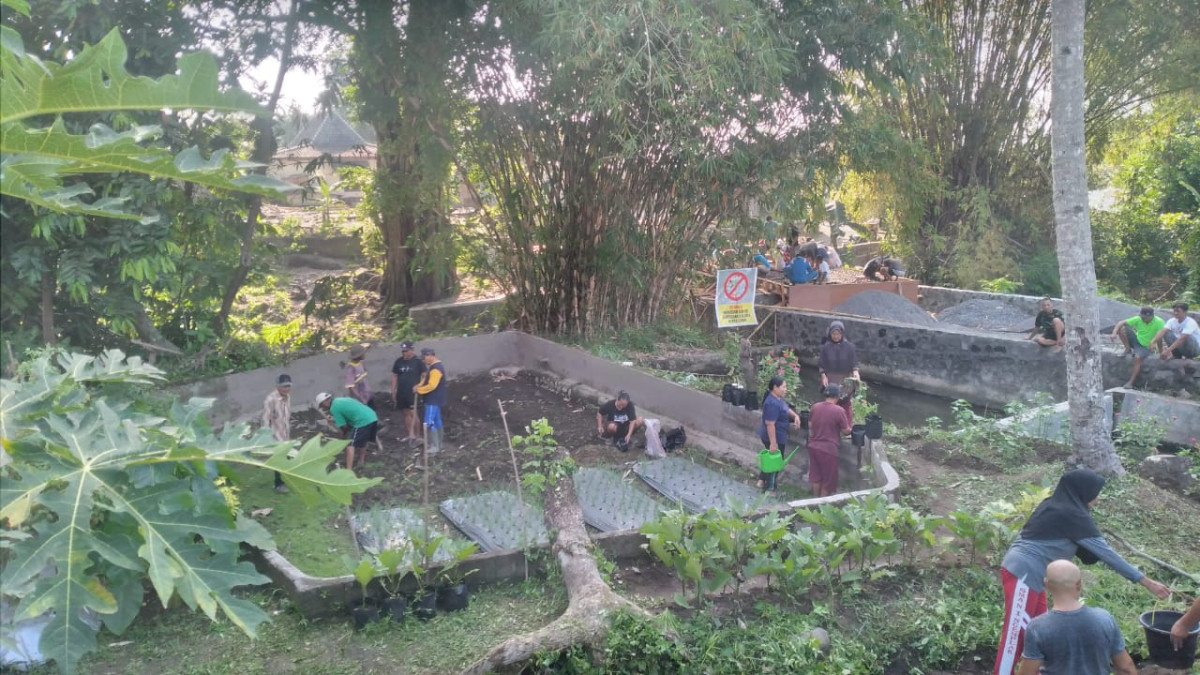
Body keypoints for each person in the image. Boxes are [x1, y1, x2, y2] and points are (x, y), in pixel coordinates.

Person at [994, 469, 1171, 675]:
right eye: (1095, 492)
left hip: (1039, 576)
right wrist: (1147, 582)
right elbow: (1108, 554)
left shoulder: (1058, 506)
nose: (1097, 497)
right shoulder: (1071, 514)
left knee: (1039, 631)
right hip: (1023, 572)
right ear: (1083, 491)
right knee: (1015, 634)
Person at [1017, 559, 1138, 675]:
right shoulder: (1104, 619)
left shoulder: (1037, 628)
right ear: (1079, 584)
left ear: (1046, 584)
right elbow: (1126, 668)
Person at [757, 375, 802, 491]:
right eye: (783, 387)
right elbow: (770, 424)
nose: (785, 389)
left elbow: (785, 408)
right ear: (775, 387)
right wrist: (773, 443)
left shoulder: (778, 398)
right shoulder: (772, 403)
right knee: (775, 463)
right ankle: (769, 488)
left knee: (770, 459)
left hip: (778, 435)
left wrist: (795, 416)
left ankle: (761, 481)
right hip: (773, 437)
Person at [807, 383, 851, 497]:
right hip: (829, 449)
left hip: (813, 446)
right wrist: (851, 429)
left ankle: (814, 501)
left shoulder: (815, 406)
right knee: (828, 481)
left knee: (816, 477)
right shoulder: (839, 410)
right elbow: (845, 431)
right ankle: (822, 505)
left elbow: (810, 424)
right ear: (837, 396)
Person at [315, 391, 379, 471]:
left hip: (362, 421)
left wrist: (344, 437)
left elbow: (344, 427)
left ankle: (348, 471)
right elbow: (350, 413)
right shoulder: (340, 400)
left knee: (350, 445)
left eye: (321, 406)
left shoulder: (334, 408)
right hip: (372, 415)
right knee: (363, 440)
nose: (323, 408)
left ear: (324, 403)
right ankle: (361, 461)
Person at [1111, 307, 1166, 388]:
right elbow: (1120, 323)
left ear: (1151, 316)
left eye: (1145, 318)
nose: (1142, 319)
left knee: (1137, 358)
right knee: (1122, 328)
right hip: (1136, 340)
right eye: (1142, 317)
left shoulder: (1159, 322)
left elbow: (1159, 338)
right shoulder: (1138, 318)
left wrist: (1161, 352)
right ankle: (1127, 349)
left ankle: (1131, 382)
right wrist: (1114, 333)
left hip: (1146, 346)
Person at [819, 320, 860, 422]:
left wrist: (855, 372)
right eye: (833, 333)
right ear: (830, 333)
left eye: (838, 334)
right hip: (832, 380)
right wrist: (823, 375)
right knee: (831, 403)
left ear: (842, 334)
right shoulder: (826, 347)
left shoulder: (849, 347)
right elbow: (821, 364)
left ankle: (847, 428)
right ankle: (831, 424)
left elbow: (854, 363)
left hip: (846, 380)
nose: (836, 336)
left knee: (846, 403)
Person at [261, 373, 292, 494]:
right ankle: (278, 484)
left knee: (287, 456)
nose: (287, 388)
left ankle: (287, 478)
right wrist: (265, 437)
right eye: (284, 386)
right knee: (278, 459)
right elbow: (265, 419)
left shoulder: (288, 397)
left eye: (289, 386)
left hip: (285, 433)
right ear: (277, 386)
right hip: (275, 435)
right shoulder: (270, 399)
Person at [390, 341, 425, 445]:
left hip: (413, 393)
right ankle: (410, 435)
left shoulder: (418, 362)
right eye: (403, 351)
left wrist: (419, 386)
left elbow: (424, 375)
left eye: (406, 351)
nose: (404, 353)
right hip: (402, 392)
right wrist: (393, 390)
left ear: (412, 350)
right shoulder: (398, 361)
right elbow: (395, 376)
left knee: (413, 413)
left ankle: (418, 435)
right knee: (406, 413)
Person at [413, 347, 447, 453]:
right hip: (436, 399)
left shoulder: (436, 369)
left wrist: (419, 390)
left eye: (424, 358)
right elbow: (426, 379)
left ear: (430, 355)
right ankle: (439, 444)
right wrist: (418, 386)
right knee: (437, 421)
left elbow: (432, 385)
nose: (423, 361)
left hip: (433, 399)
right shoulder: (433, 367)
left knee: (429, 422)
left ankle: (434, 446)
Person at [344, 344, 373, 408]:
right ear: (359, 355)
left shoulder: (361, 363)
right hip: (360, 400)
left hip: (367, 396)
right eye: (363, 353)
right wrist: (361, 399)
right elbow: (351, 387)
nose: (364, 354)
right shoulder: (351, 368)